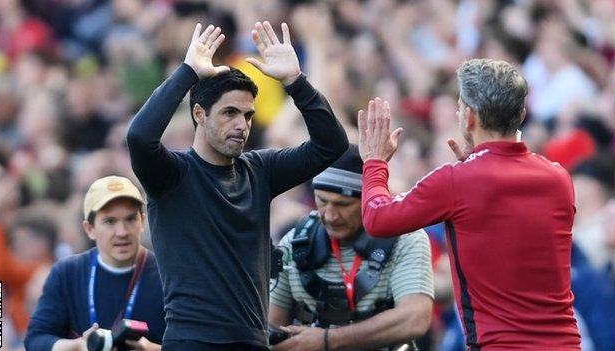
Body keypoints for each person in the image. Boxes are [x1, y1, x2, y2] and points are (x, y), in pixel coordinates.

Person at [126, 21, 348, 351]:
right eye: (229, 113)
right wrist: (188, 71)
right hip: (192, 344)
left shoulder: (260, 169)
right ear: (199, 114)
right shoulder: (172, 175)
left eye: (247, 115)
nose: (241, 125)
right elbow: (140, 137)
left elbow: (331, 144)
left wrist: (295, 82)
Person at [357, 59, 581, 350]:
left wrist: (374, 162)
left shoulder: (456, 181)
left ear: (469, 117)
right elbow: (510, 218)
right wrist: (476, 165)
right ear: (522, 114)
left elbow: (377, 218)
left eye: (460, 107)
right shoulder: (559, 178)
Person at [268, 144, 433, 351]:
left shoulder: (406, 239)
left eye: (343, 204)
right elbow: (270, 324)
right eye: (322, 201)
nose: (330, 215)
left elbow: (415, 319)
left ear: (368, 200)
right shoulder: (294, 243)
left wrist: (327, 340)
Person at [25, 176, 165, 351]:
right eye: (110, 221)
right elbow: (36, 340)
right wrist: (79, 346)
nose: (122, 232)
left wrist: (149, 349)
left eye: (130, 219)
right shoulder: (67, 272)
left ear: (142, 221)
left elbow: (194, 343)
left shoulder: (167, 275)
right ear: (89, 229)